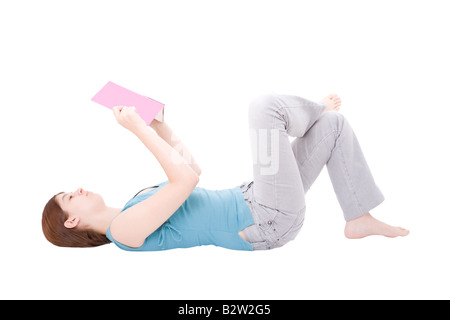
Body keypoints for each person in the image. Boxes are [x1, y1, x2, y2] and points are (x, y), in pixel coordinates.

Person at [41, 93, 409, 251]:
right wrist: (137, 128)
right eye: (70, 197)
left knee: (333, 125)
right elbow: (186, 180)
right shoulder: (122, 231)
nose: (79, 190)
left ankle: (359, 216)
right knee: (264, 108)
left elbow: (191, 170)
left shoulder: (134, 204)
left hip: (259, 196)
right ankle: (313, 107)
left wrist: (159, 126)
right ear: (71, 221)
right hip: (265, 218)